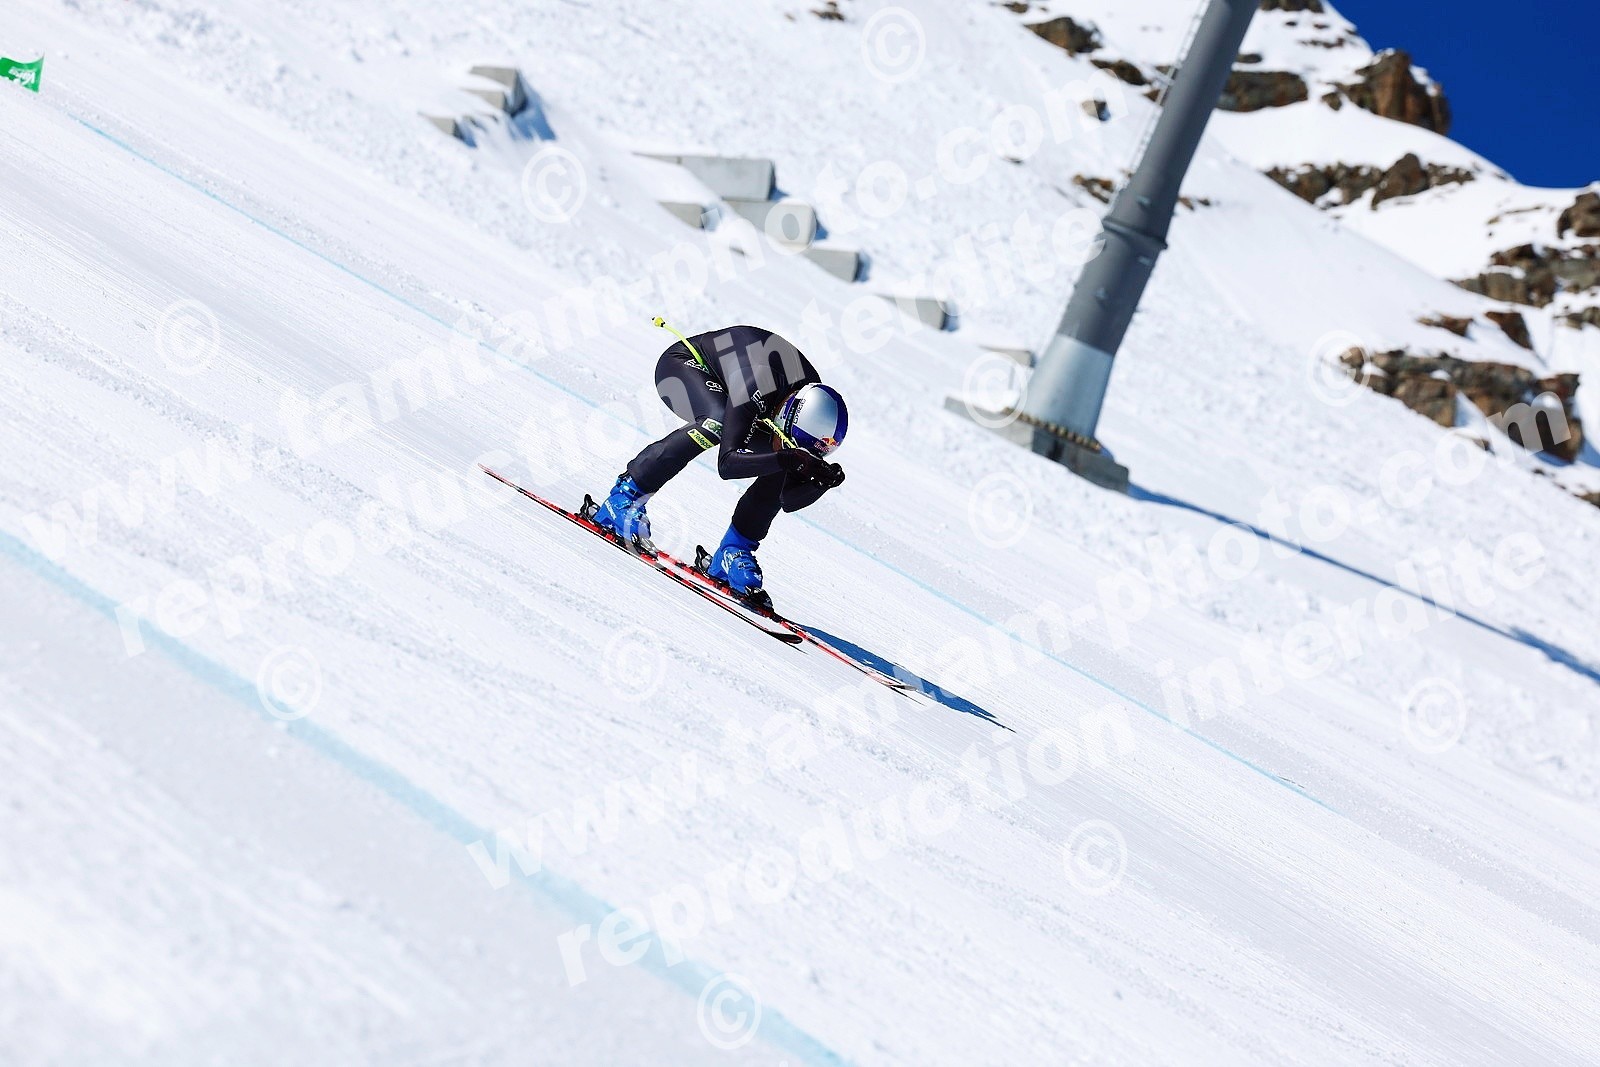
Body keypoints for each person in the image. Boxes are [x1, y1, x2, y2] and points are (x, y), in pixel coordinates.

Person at [587, 321, 847, 604]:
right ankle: (625, 497)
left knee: (782, 461)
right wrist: (788, 457)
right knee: (718, 422)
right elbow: (727, 464)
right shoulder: (760, 383)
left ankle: (734, 550)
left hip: (745, 393)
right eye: (790, 440)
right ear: (787, 415)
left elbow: (788, 499)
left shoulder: (809, 401)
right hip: (685, 367)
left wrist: (819, 482)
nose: (789, 447)